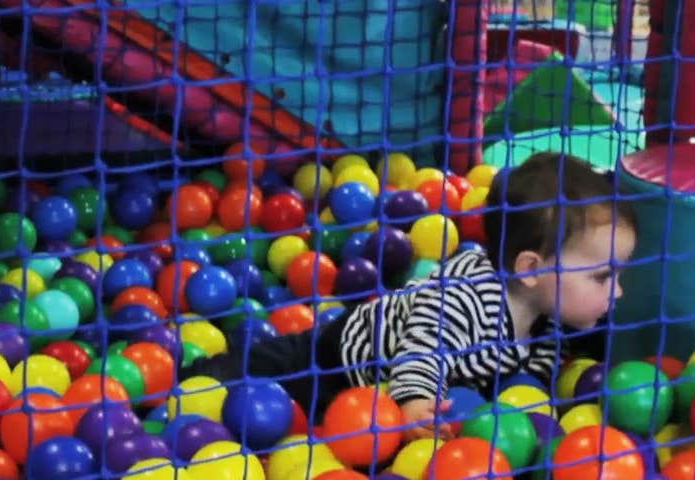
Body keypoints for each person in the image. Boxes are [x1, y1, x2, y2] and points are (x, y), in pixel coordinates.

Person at [178, 152, 637, 441]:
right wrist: (416, 401)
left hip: (382, 381)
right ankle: (201, 371)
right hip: (343, 355)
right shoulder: (465, 300)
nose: (617, 291)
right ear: (532, 270)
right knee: (259, 383)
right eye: (602, 276)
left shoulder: (548, 314)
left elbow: (529, 370)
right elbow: (423, 352)